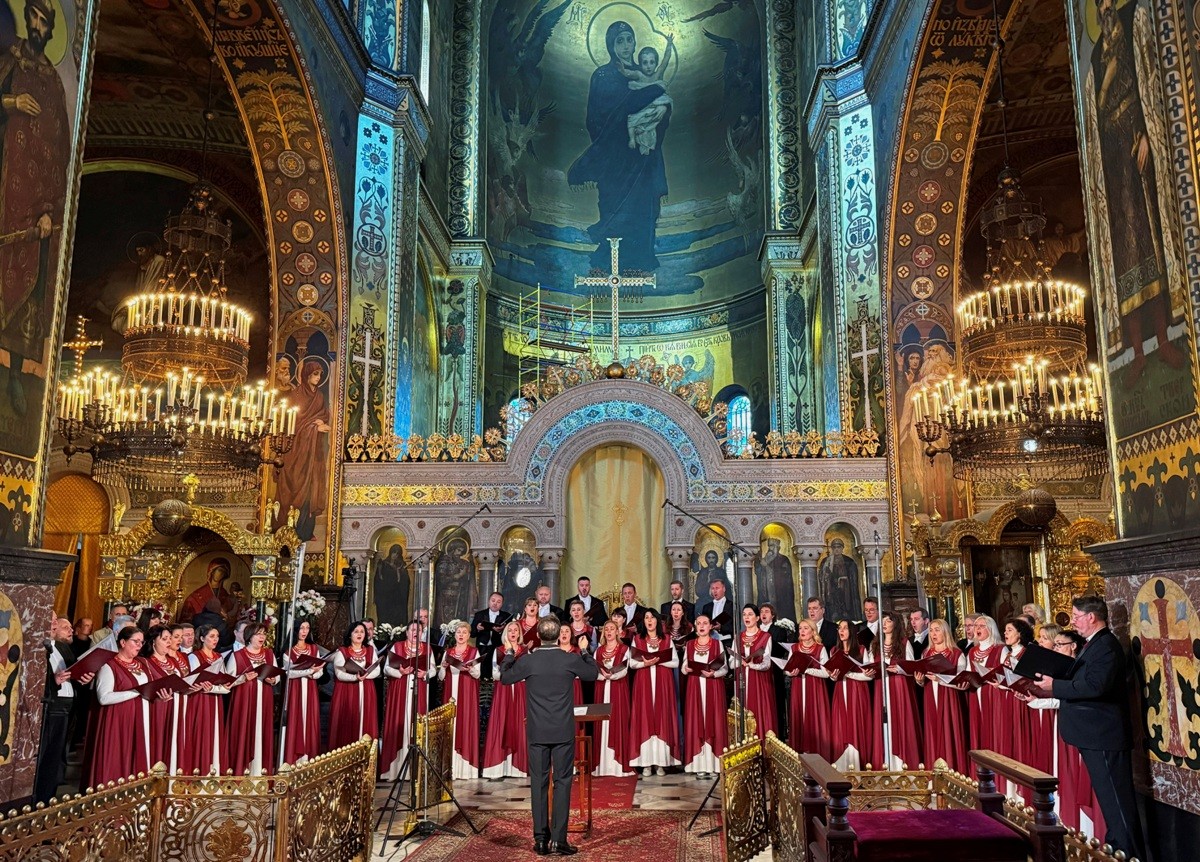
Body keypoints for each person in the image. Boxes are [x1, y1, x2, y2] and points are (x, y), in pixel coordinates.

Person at [1032, 595, 1145, 860]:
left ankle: (1130, 855)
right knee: (1110, 805)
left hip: (1103, 736)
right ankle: (1116, 851)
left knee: (1117, 805)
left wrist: (1055, 687)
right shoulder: (1093, 644)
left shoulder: (1105, 646)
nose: (1073, 621)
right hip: (1093, 735)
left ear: (1091, 617)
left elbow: (1096, 686)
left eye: (1076, 616)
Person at [567, 20, 670, 272]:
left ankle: (641, 260)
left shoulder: (644, 71)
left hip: (641, 157)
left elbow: (662, 109)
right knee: (613, 205)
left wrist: (654, 113)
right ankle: (608, 259)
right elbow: (596, 116)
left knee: (642, 208)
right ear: (611, 45)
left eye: (629, 39)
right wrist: (649, 95)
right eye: (619, 41)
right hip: (613, 157)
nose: (626, 46)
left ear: (635, 42)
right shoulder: (603, 75)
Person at [499, 616, 598, 856]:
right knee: (562, 783)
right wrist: (585, 652)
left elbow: (505, 676)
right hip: (563, 731)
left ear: (539, 636)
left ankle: (541, 840)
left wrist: (511, 654)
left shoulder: (529, 661)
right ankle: (559, 840)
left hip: (537, 731)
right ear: (557, 636)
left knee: (539, 783)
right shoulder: (569, 658)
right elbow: (592, 673)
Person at [88, 626, 153, 788]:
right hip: (117, 720)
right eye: (135, 641)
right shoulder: (109, 665)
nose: (139, 645)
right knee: (116, 756)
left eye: (141, 642)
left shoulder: (142, 664)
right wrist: (135, 692)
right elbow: (103, 697)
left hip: (138, 718)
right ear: (123, 642)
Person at [275, 359, 331, 540]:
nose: (318, 378)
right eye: (315, 374)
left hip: (314, 451)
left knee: (312, 487)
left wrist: (321, 423)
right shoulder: (296, 396)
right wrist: (315, 428)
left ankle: (306, 530)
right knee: (296, 484)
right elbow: (293, 426)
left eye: (320, 374)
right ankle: (288, 528)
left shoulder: (320, 396)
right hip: (297, 450)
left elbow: (324, 415)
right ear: (307, 375)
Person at [628, 608, 680, 775]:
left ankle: (661, 763)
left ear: (658, 621)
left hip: (663, 683)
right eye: (646, 618)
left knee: (662, 717)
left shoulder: (666, 639)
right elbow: (632, 663)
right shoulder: (638, 639)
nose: (649, 620)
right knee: (644, 717)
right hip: (643, 683)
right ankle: (645, 763)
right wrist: (646, 664)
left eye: (652, 618)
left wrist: (659, 661)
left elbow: (676, 662)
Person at [914, 619, 970, 775]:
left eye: (937, 630)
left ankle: (954, 773)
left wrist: (941, 680)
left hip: (949, 697)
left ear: (945, 631)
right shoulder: (926, 653)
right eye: (931, 630)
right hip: (930, 696)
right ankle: (935, 776)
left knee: (949, 732)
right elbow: (922, 680)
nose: (933, 634)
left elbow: (961, 680)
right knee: (932, 732)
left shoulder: (956, 653)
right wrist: (919, 680)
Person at [35, 615, 79, 804]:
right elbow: (32, 680)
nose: (53, 624)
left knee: (55, 758)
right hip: (49, 707)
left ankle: (48, 800)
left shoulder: (61, 647)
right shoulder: (37, 647)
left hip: (65, 707)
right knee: (44, 758)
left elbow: (72, 672)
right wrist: (53, 681)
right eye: (52, 620)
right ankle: (37, 800)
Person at [382, 620, 433, 780]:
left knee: (416, 724)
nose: (415, 632)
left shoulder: (427, 647)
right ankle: (395, 768)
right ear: (407, 632)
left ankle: (415, 769)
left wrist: (424, 674)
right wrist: (401, 671)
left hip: (419, 689)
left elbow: (432, 669)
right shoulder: (397, 646)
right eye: (412, 629)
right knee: (400, 722)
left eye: (419, 630)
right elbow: (387, 668)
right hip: (400, 689)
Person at [226, 623, 279, 776]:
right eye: (258, 634)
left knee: (262, 731)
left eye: (263, 634)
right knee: (245, 730)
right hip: (244, 701)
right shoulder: (237, 656)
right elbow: (229, 681)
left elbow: (276, 675)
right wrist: (243, 678)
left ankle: (260, 772)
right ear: (249, 637)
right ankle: (241, 771)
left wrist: (273, 680)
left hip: (264, 700)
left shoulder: (269, 654)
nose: (262, 637)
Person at [679, 614, 727, 777]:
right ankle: (697, 763)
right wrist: (687, 669)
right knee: (696, 721)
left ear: (710, 626)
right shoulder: (690, 644)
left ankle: (714, 763)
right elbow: (683, 666)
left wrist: (714, 673)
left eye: (705, 623)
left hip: (713, 686)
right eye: (698, 623)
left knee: (714, 721)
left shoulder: (718, 644)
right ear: (694, 626)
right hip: (695, 686)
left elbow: (725, 668)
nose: (701, 626)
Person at [875, 611, 923, 770]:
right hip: (881, 687)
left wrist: (900, 669)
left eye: (888, 621)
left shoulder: (904, 643)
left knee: (900, 721)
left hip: (899, 686)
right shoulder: (876, 644)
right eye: (883, 621)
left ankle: (902, 765)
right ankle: (885, 764)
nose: (884, 624)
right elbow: (869, 664)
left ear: (895, 623)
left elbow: (911, 667)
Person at [482, 621, 528, 779]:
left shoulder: (525, 651)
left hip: (521, 690)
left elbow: (528, 671)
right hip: (504, 689)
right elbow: (495, 673)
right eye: (510, 630)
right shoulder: (498, 650)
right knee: (502, 721)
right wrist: (505, 673)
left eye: (516, 630)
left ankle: (518, 767)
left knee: (519, 723)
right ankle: (498, 767)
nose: (513, 632)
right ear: (505, 634)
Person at [183, 624, 231, 776]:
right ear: (202, 638)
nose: (215, 639)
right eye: (211, 636)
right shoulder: (194, 656)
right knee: (201, 734)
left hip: (215, 699)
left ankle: (213, 771)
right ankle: (199, 770)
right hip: (200, 700)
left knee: (215, 734)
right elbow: (194, 681)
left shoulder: (218, 657)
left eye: (217, 636)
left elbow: (226, 684)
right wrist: (208, 686)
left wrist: (215, 688)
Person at [829, 619, 877, 770]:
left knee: (856, 724)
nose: (841, 631)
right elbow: (832, 675)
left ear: (852, 631)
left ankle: (857, 765)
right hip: (839, 690)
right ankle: (842, 766)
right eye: (839, 628)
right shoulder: (834, 651)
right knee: (841, 725)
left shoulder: (862, 650)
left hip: (857, 692)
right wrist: (833, 675)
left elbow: (869, 675)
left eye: (845, 628)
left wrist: (850, 674)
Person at [143, 624, 189, 775]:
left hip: (177, 706)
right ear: (153, 642)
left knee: (174, 743)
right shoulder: (146, 663)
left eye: (170, 638)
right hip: (158, 708)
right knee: (159, 742)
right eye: (164, 639)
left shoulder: (173, 661)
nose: (169, 642)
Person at [439, 620, 482, 779]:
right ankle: (450, 768)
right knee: (452, 726)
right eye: (458, 632)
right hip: (451, 693)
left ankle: (466, 768)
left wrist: (470, 669)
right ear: (454, 635)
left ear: (469, 635)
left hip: (467, 694)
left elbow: (478, 675)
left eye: (464, 632)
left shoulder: (474, 652)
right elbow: (441, 678)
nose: (461, 635)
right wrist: (443, 667)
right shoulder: (448, 652)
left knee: (465, 724)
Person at [784, 619, 832, 761]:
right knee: (799, 718)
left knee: (814, 717)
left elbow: (826, 673)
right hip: (798, 687)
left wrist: (808, 670)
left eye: (806, 628)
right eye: (800, 629)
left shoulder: (820, 648)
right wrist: (790, 672)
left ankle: (817, 755)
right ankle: (800, 755)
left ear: (813, 631)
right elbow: (787, 668)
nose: (802, 631)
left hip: (815, 689)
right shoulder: (794, 648)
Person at [329, 621, 381, 750]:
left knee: (366, 721)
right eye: (356, 631)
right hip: (347, 690)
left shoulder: (370, 650)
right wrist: (355, 678)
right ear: (350, 634)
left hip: (367, 689)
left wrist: (364, 676)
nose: (359, 634)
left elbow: (377, 670)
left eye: (362, 632)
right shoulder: (342, 651)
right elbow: (339, 673)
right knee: (348, 722)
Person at [592, 620, 634, 777]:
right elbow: (593, 669)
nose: (609, 631)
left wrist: (612, 675)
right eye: (606, 629)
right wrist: (602, 676)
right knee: (602, 722)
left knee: (617, 720)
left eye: (612, 629)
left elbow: (625, 669)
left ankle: (618, 763)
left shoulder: (624, 649)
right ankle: (601, 765)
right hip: (602, 688)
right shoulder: (598, 650)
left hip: (618, 688)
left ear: (618, 632)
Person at [281, 620, 323, 765]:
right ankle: (294, 761)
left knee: (310, 720)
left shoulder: (313, 648)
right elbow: (288, 673)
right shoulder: (288, 651)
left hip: (310, 688)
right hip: (295, 690)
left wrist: (313, 673)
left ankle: (309, 760)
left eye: (307, 628)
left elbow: (320, 672)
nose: (304, 631)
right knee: (296, 719)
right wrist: (309, 670)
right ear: (295, 630)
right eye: (301, 628)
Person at [966, 615, 1004, 769]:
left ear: (991, 629)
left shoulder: (1000, 648)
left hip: (993, 695)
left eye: (981, 626)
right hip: (976, 694)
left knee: (994, 730)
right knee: (978, 730)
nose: (977, 629)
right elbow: (969, 673)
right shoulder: (972, 651)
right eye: (975, 626)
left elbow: (1005, 674)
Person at [734, 605, 778, 737]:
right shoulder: (738, 637)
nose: (746, 617)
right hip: (742, 678)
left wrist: (752, 665)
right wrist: (739, 662)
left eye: (750, 614)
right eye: (744, 614)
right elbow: (731, 662)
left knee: (760, 710)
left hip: (760, 681)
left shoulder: (765, 637)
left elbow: (767, 663)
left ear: (757, 618)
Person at [755, 537, 797, 623]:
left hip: (781, 595)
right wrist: (761, 565)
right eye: (769, 546)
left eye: (772, 546)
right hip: (766, 596)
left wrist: (767, 566)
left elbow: (785, 576)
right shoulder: (765, 560)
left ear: (778, 547)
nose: (770, 549)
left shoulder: (783, 559)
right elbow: (758, 573)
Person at [818, 539, 861, 623]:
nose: (836, 549)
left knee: (846, 613)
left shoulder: (849, 561)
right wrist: (827, 576)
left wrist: (845, 579)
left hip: (846, 591)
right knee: (833, 612)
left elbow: (854, 579)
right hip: (832, 591)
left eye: (839, 547)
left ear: (842, 548)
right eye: (834, 547)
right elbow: (822, 577)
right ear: (831, 549)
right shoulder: (826, 561)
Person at [471, 592, 512, 678]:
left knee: (494, 673)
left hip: (497, 648)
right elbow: (472, 634)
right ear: (489, 601)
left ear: (502, 604)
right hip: (482, 648)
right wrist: (478, 628)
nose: (495, 603)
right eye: (493, 600)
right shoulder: (480, 615)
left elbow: (510, 635)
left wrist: (501, 631)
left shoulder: (506, 616)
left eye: (498, 602)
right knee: (481, 673)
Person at [180, 559, 233, 624]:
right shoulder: (196, 595)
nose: (221, 574)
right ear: (212, 571)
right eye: (219, 570)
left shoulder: (224, 594)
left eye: (223, 572)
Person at [374, 543, 411, 626]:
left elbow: (405, 582)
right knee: (384, 618)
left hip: (397, 598)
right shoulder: (383, 564)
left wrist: (398, 572)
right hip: (385, 597)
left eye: (397, 553)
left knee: (396, 619)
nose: (395, 555)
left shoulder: (402, 565)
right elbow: (378, 580)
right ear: (390, 552)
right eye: (394, 552)